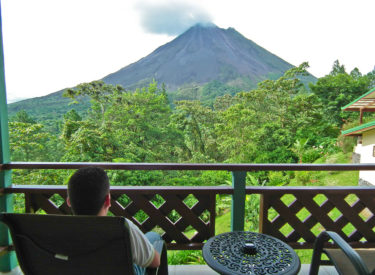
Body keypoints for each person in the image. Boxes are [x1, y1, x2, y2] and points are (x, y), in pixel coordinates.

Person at [66, 167, 161, 275]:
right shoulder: (123, 228)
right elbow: (155, 262)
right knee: (154, 237)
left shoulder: (56, 230)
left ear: (69, 201)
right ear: (107, 200)